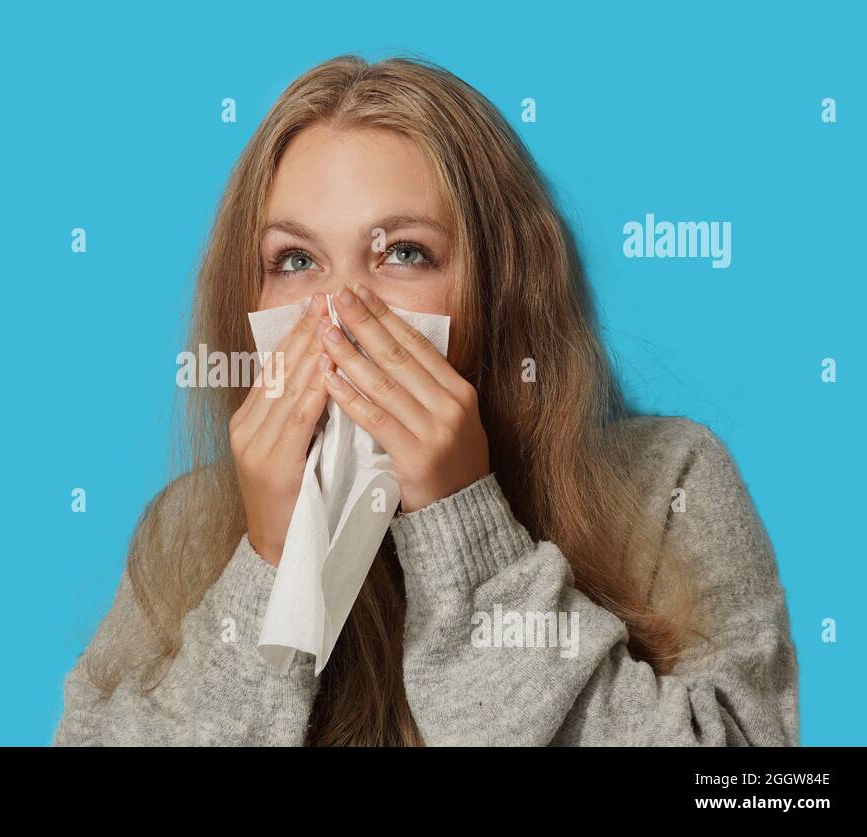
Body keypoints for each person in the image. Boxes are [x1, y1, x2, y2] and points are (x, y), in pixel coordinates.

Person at [52, 54, 799, 746]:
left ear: (503, 288)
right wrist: (273, 570)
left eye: (404, 252)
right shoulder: (187, 525)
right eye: (296, 260)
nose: (340, 309)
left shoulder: (667, 484)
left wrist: (467, 531)